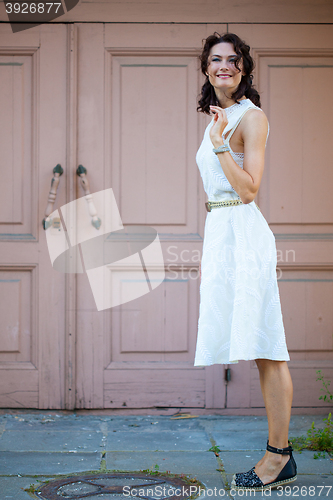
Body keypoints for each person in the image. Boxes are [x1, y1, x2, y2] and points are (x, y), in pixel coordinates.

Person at [194, 32, 297, 492]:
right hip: (223, 233)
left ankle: (279, 457)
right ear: (205, 68)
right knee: (257, 344)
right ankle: (280, 454)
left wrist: (219, 143)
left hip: (244, 233)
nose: (224, 67)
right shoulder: (219, 117)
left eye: (233, 60)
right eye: (216, 60)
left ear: (244, 68)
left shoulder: (250, 118)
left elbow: (249, 188)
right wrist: (216, 135)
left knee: (266, 344)